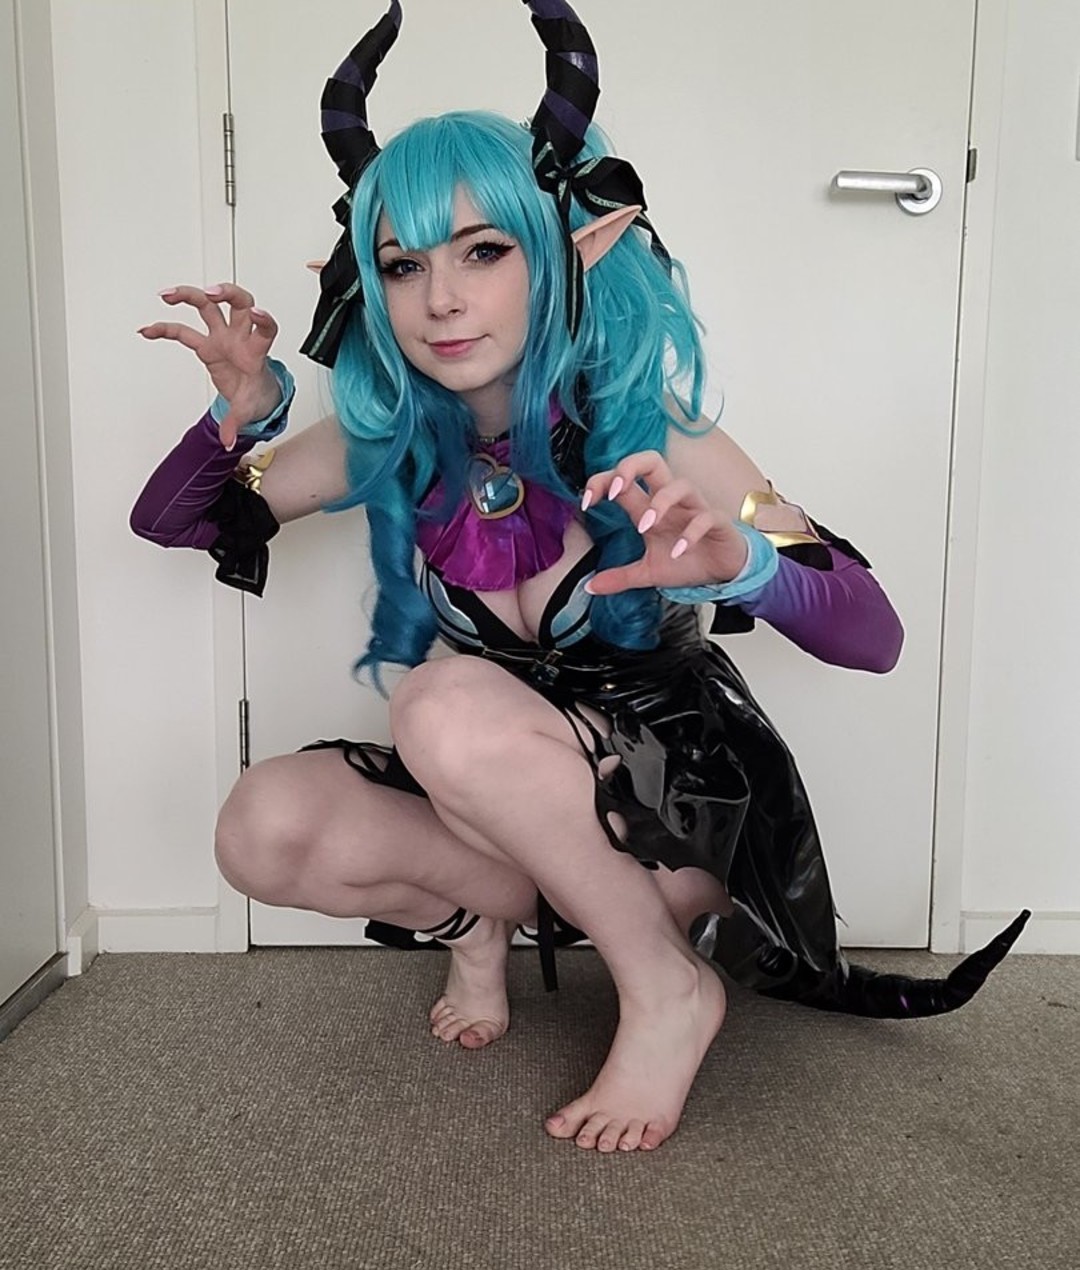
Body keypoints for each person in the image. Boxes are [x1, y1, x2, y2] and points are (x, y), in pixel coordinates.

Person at [131, 0, 1026, 1154]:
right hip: (495, 803)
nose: (441, 299)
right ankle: (476, 923)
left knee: (438, 704)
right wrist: (249, 410)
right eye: (403, 264)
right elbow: (175, 521)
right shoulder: (382, 434)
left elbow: (875, 635)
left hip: (667, 827)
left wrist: (754, 566)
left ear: (569, 249)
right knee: (262, 829)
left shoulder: (658, 428)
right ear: (370, 285)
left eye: (484, 251)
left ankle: (666, 987)